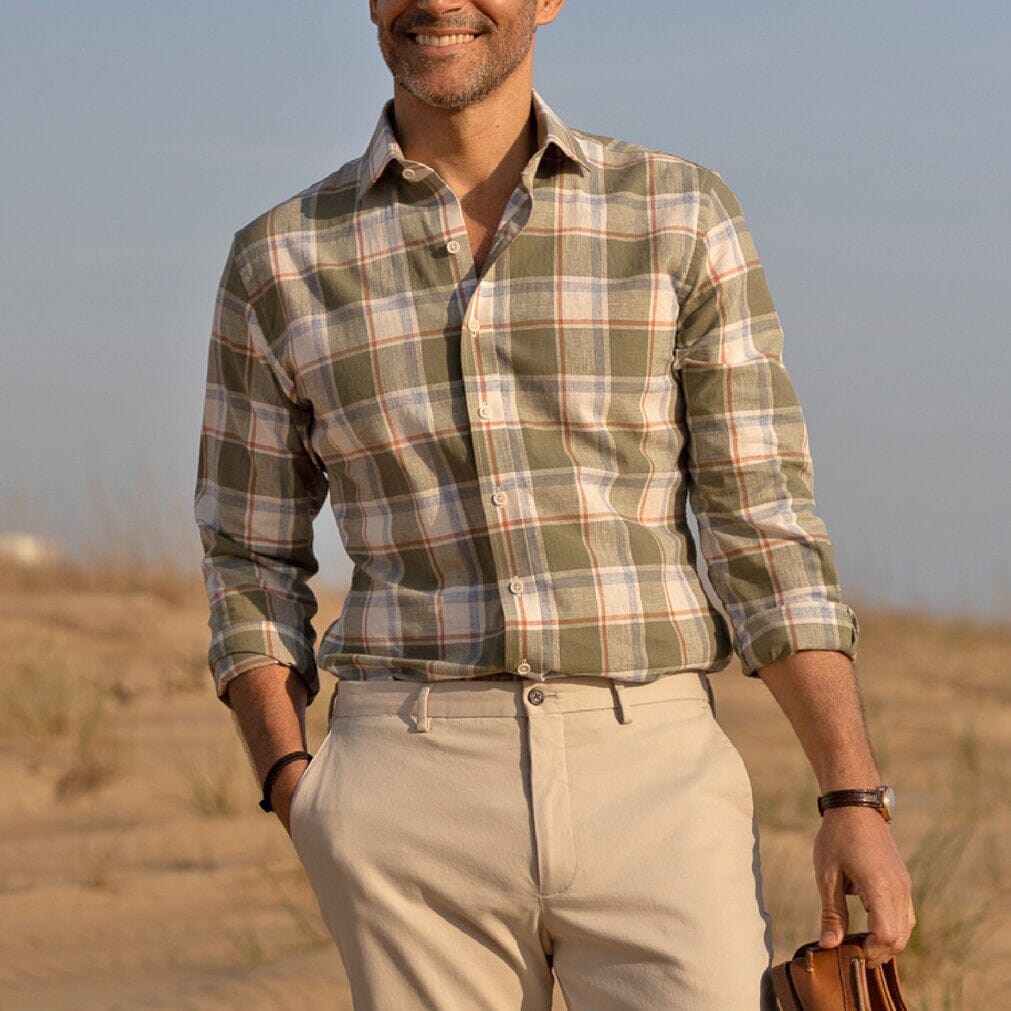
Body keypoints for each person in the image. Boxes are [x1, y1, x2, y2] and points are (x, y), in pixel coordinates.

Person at [195, 1, 914, 1007]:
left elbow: (762, 527)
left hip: (655, 779)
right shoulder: (279, 259)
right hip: (405, 789)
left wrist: (852, 797)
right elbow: (248, 556)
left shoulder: (678, 215)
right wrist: (293, 788)